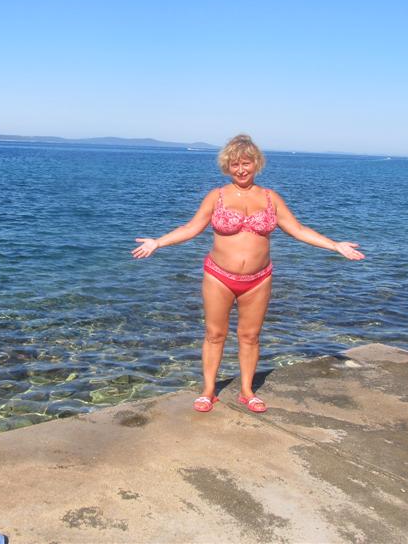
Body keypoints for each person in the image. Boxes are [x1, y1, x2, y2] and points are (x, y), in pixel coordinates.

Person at [132, 134, 364, 413]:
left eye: (246, 163)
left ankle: (247, 391)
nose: (241, 170)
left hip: (258, 279)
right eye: (235, 164)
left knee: (250, 336)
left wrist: (334, 245)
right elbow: (191, 228)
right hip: (218, 276)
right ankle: (208, 391)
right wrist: (158, 242)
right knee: (215, 334)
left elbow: (298, 230)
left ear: (256, 163)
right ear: (226, 167)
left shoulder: (270, 198)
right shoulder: (216, 196)